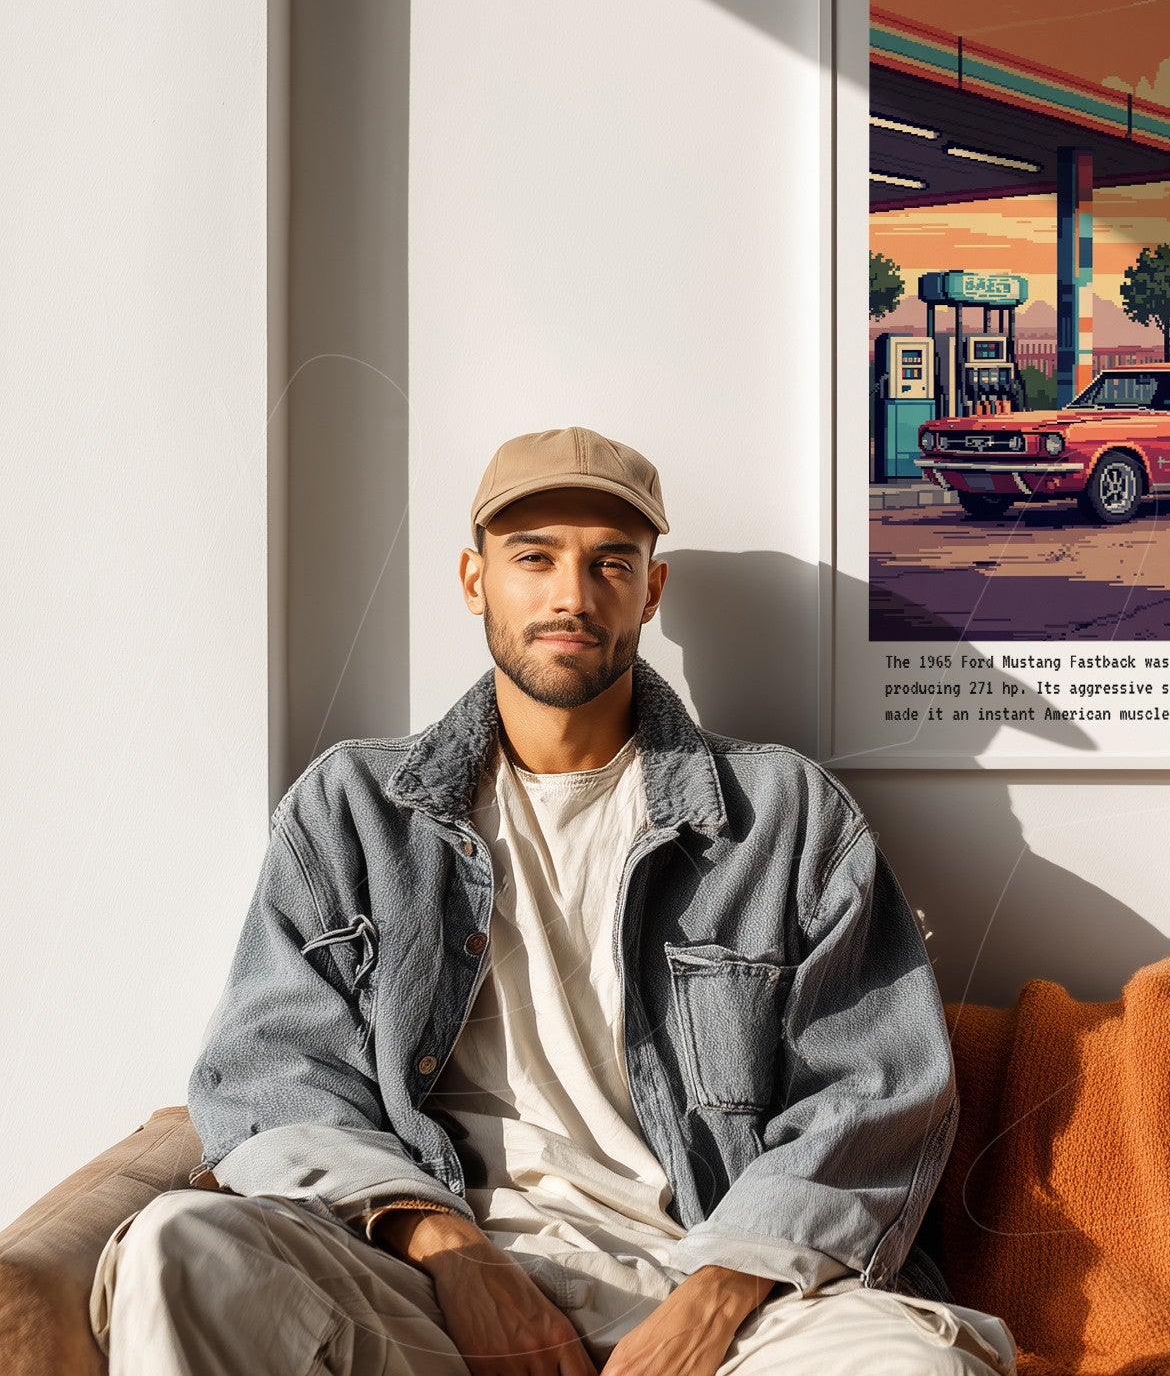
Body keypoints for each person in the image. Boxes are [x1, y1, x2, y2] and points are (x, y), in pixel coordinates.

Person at [92, 426, 1016, 1376]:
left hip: (713, 1279)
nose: (571, 595)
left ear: (650, 589)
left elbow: (876, 1090)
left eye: (609, 561)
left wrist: (715, 1296)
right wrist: (454, 1254)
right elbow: (268, 1075)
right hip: (426, 1286)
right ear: (473, 578)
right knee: (177, 1251)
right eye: (533, 558)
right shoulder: (353, 810)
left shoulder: (781, 814)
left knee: (920, 1365)